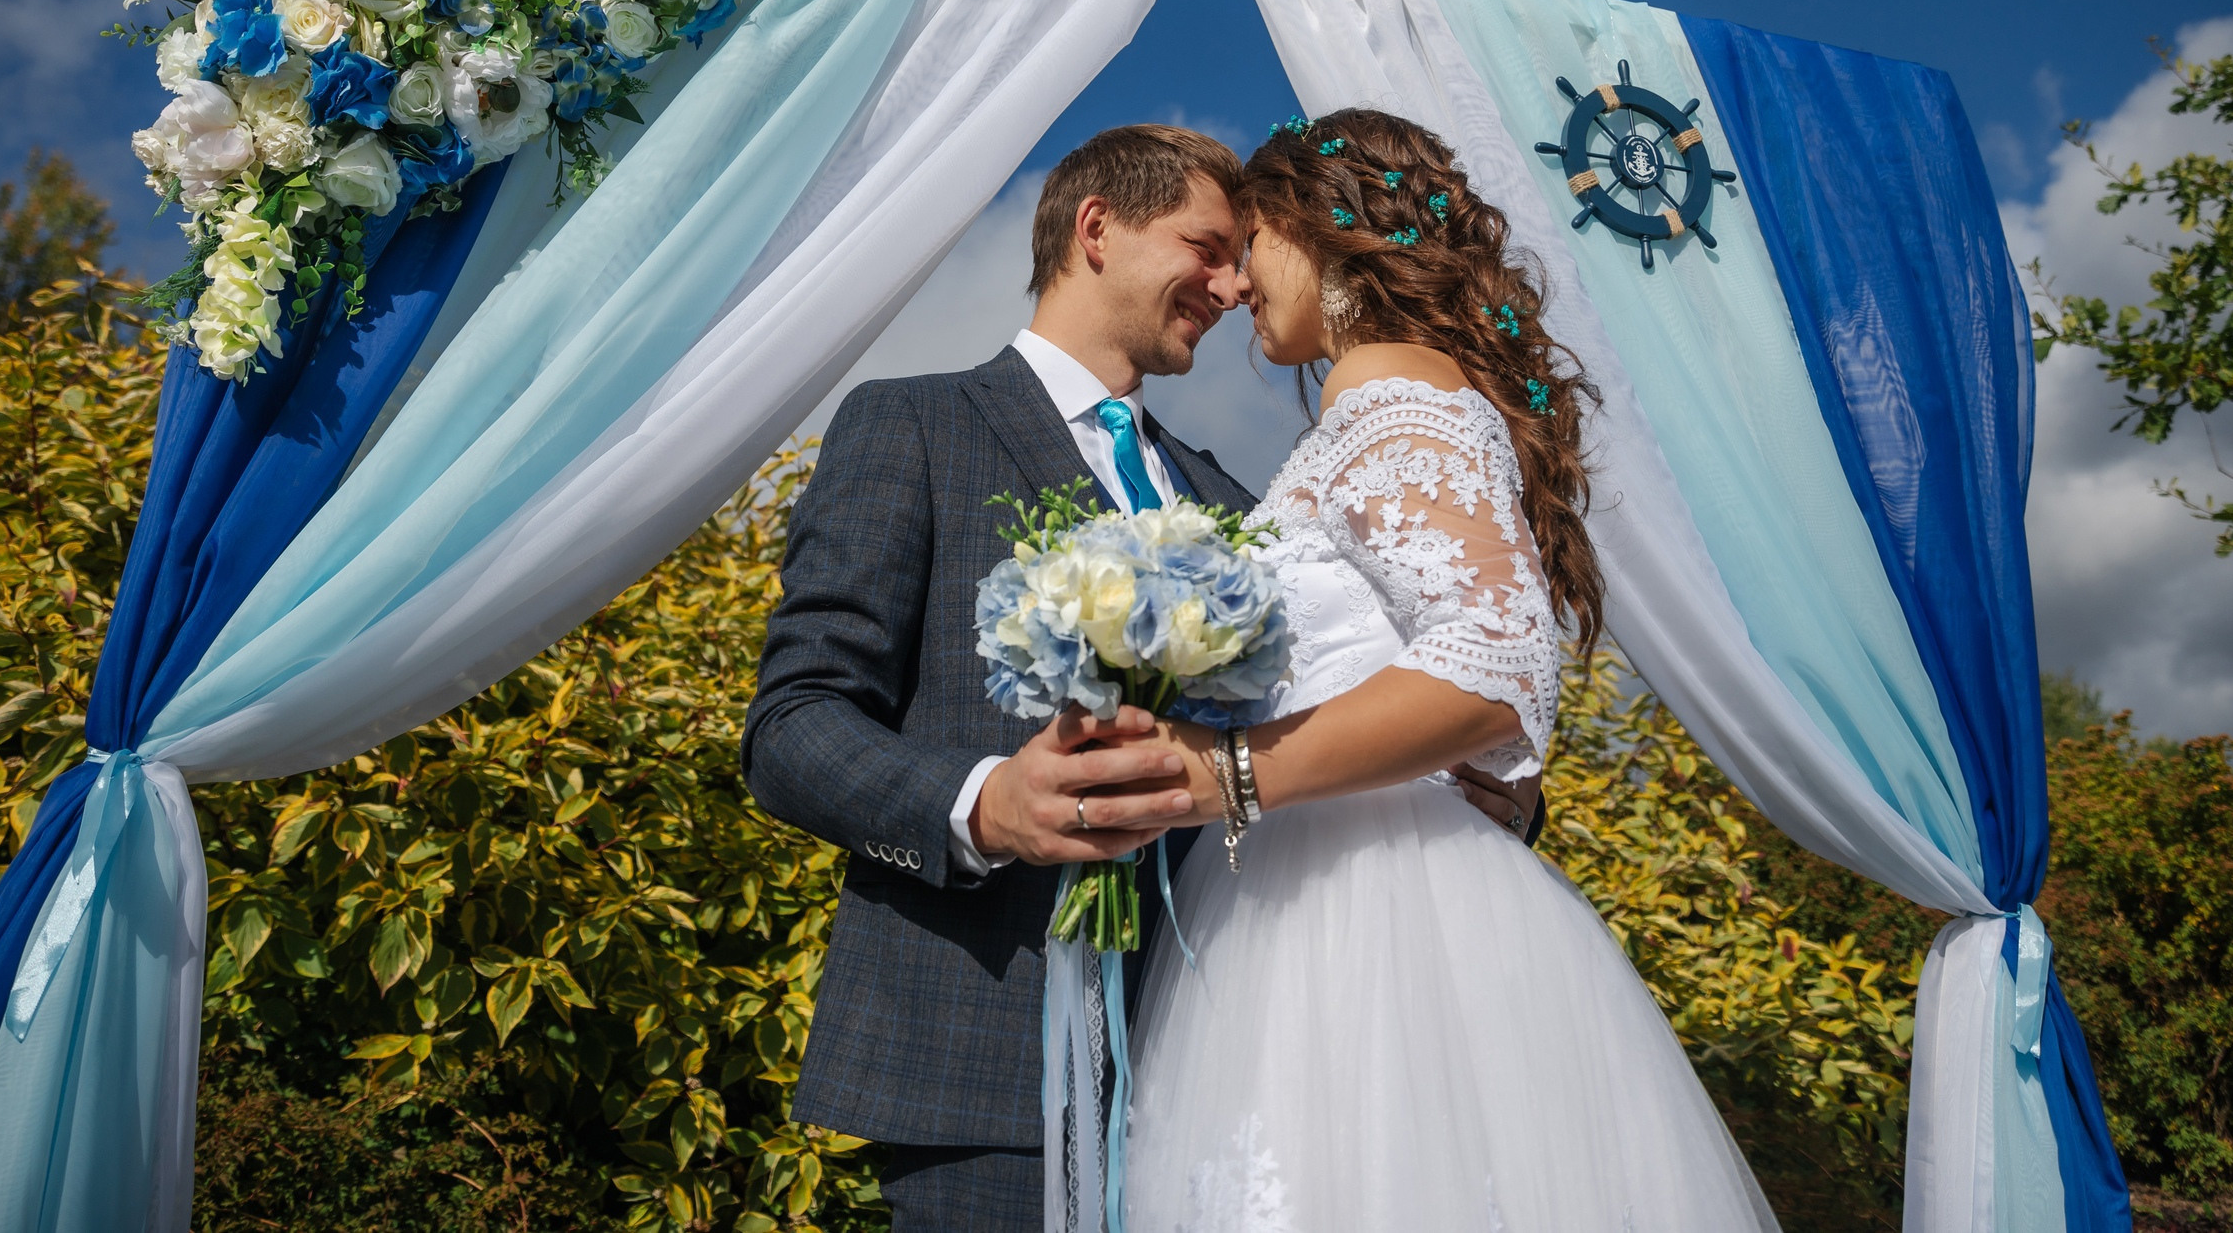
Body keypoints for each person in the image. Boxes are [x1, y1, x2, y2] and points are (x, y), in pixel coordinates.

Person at [1117, 109, 1778, 1232]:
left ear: (1319, 228)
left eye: (1251, 243)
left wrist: (1226, 771)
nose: (1233, 285)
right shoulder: (1384, 405)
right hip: (1332, 882)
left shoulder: (1389, 397)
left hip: (1367, 915)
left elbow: (1496, 658)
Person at [741, 125, 1262, 1232]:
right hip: (983, 1070)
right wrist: (985, 807)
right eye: (1207, 248)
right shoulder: (912, 424)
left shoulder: (1233, 504)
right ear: (1097, 228)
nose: (1232, 286)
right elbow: (793, 725)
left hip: (1217, 1080)